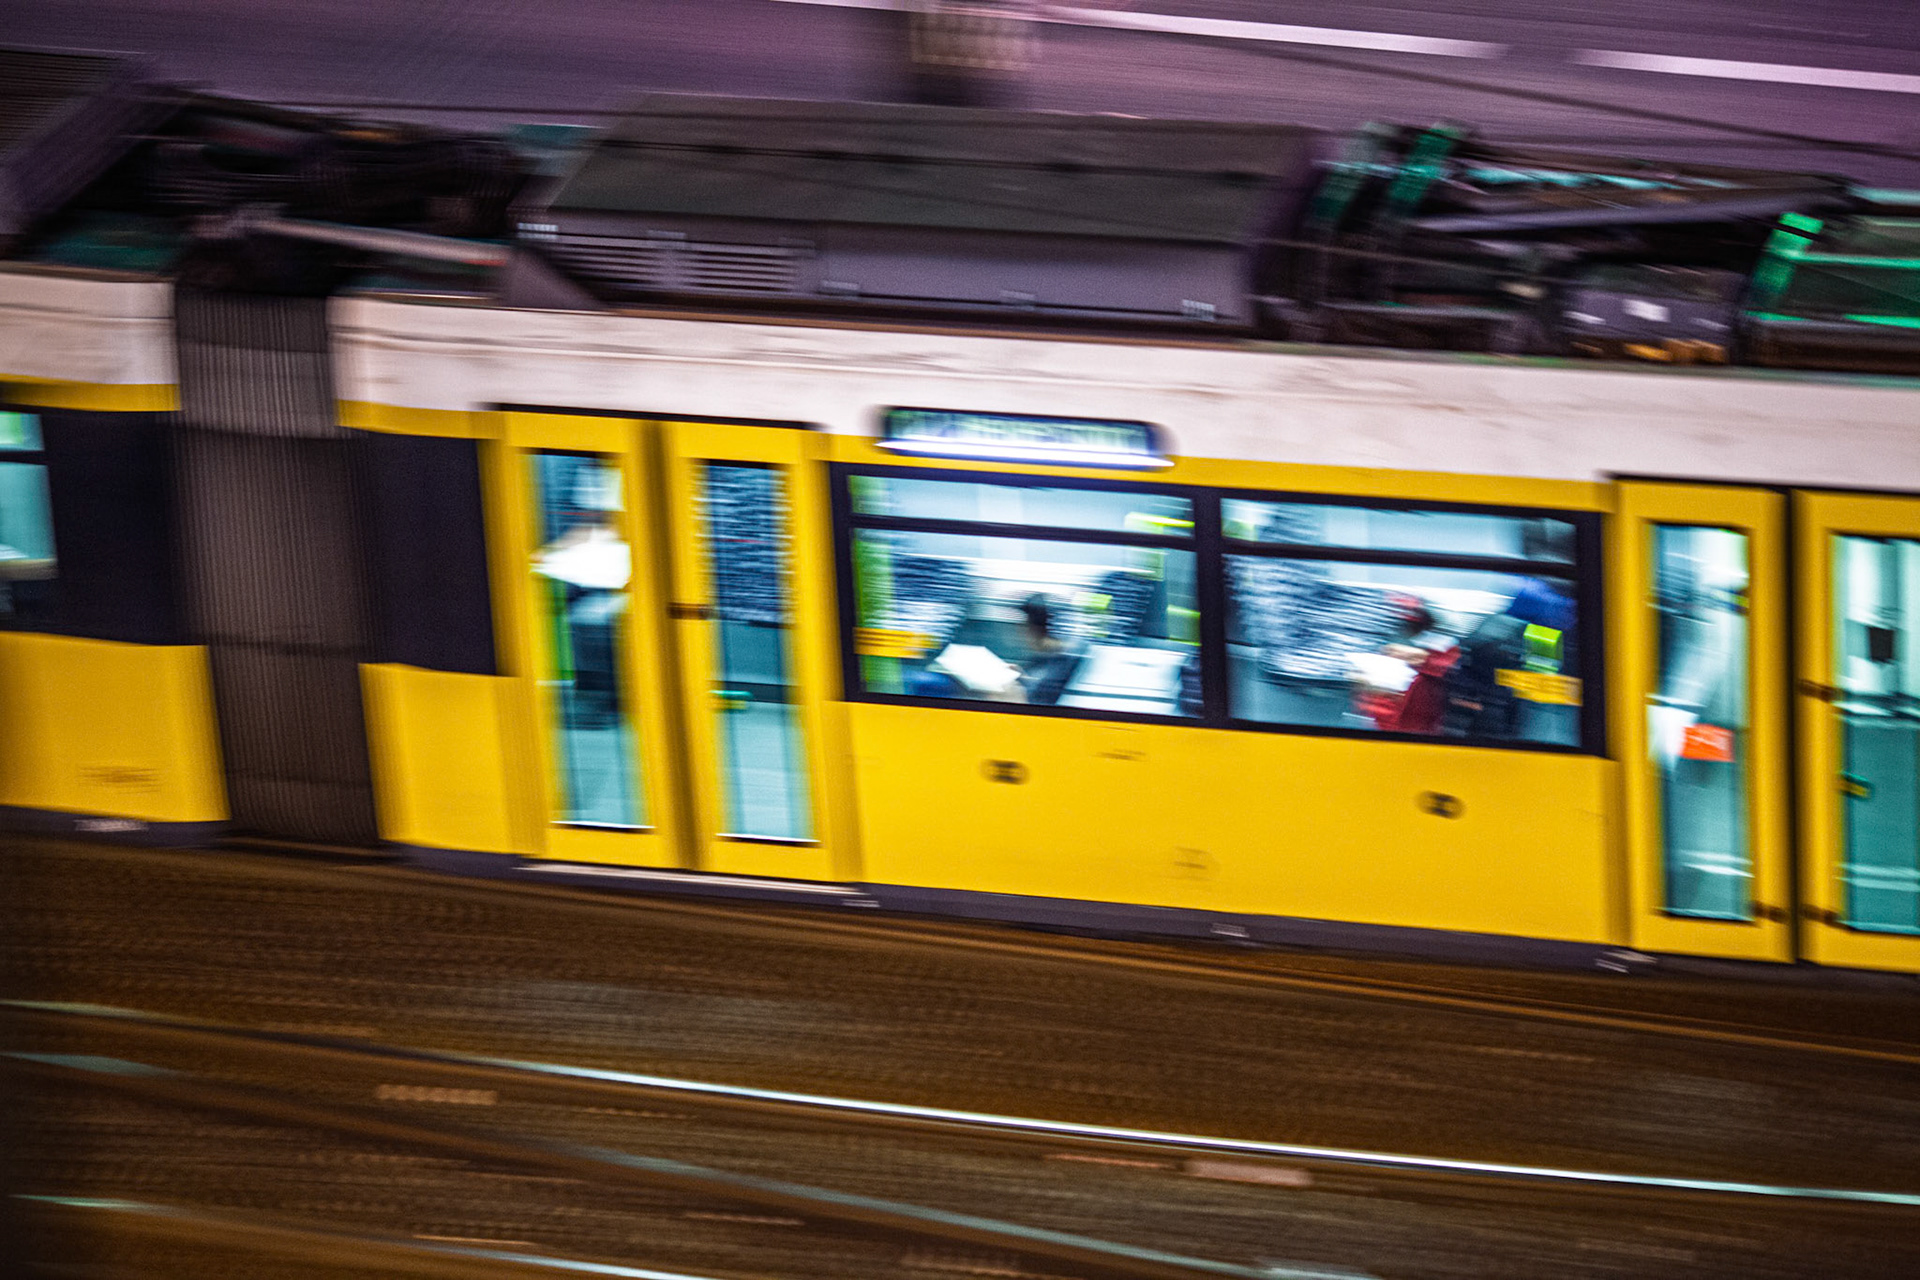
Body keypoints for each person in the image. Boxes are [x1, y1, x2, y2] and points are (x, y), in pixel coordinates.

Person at [1015, 593, 1082, 706]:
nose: (1022, 631)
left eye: (1026, 624)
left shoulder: (1065, 663)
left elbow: (1037, 704)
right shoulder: (1046, 657)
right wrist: (1022, 677)